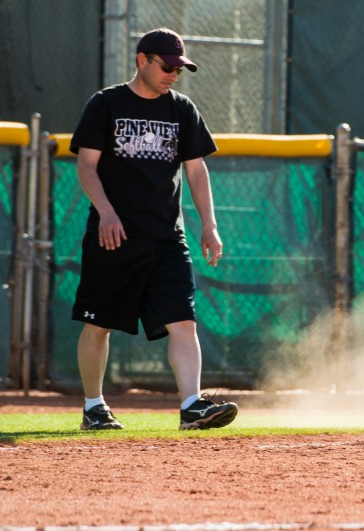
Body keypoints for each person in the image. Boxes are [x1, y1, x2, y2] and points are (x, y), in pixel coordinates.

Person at [69, 27, 237, 431]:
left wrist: (209, 225)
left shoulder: (181, 109)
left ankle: (192, 406)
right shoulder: (105, 105)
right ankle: (94, 406)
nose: (173, 76)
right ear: (142, 60)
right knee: (99, 324)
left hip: (166, 236)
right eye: (167, 67)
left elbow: (196, 170)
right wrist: (106, 213)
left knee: (183, 320)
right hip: (115, 235)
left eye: (179, 70)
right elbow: (86, 166)